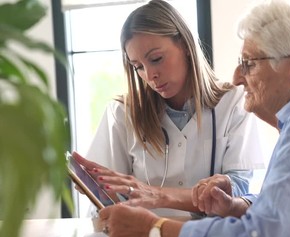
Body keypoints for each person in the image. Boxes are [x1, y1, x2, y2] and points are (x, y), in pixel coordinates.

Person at [96, 0, 290, 237]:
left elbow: (263, 235)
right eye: (138, 66)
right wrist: (238, 206)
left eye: (249, 64)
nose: (237, 77)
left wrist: (156, 229)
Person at [74, 0, 264, 218]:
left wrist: (159, 194)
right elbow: (106, 205)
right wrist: (98, 191)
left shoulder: (234, 102)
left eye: (156, 59)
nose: (150, 75)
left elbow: (242, 192)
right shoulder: (121, 114)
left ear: (184, 45)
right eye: (138, 67)